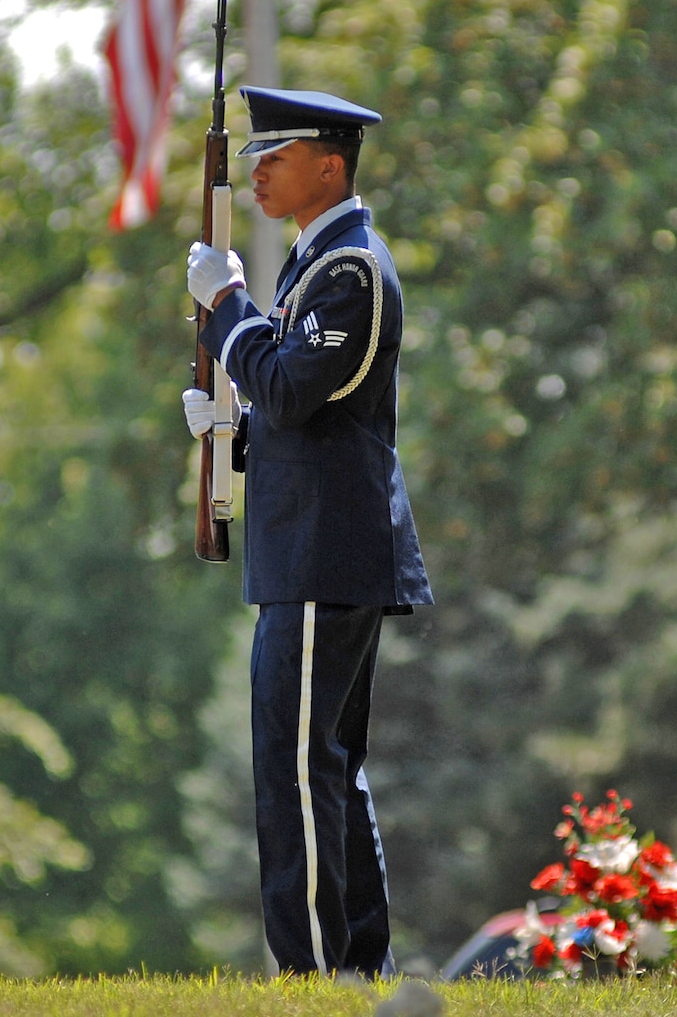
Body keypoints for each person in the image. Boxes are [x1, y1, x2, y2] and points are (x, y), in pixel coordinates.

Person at [182, 86, 432, 976]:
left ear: (330, 163)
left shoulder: (351, 268)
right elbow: (300, 417)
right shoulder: (312, 265)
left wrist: (231, 312)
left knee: (296, 771)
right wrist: (233, 433)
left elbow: (291, 386)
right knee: (325, 765)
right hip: (312, 544)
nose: (255, 170)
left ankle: (314, 972)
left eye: (274, 155)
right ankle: (354, 966)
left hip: (327, 549)